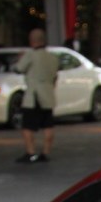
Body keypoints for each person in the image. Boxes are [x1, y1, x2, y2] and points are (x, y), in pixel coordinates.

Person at [14, 28, 60, 163]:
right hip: (48, 94)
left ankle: (30, 152)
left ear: (31, 41)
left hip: (34, 96)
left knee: (27, 126)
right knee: (48, 125)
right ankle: (45, 152)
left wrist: (19, 59)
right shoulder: (53, 57)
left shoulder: (30, 55)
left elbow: (18, 69)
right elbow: (55, 76)